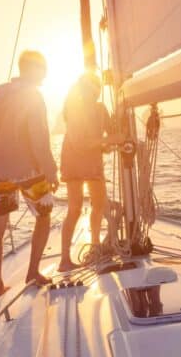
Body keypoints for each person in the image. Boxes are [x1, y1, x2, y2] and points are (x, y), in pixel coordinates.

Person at [0, 50, 58, 297]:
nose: (45, 74)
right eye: (43, 69)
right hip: (30, 172)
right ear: (34, 69)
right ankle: (33, 272)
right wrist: (51, 170)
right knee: (44, 216)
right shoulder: (33, 97)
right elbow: (39, 139)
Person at [57, 72, 112, 272]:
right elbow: (79, 142)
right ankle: (64, 259)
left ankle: (95, 246)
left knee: (99, 203)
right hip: (74, 160)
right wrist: (107, 141)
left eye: (97, 88)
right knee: (75, 208)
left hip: (92, 161)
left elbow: (110, 135)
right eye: (90, 87)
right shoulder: (74, 109)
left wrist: (111, 142)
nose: (95, 91)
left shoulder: (101, 109)